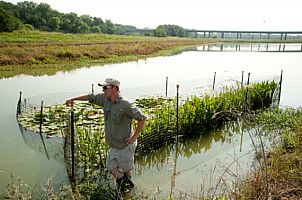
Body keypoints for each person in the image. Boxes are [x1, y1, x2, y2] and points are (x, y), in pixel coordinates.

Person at [65, 78, 147, 190]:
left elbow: (142, 118)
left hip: (125, 145)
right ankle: (126, 186)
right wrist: (72, 99)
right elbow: (90, 97)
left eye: (105, 88)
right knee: (111, 166)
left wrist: (134, 137)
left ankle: (126, 188)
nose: (103, 90)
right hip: (114, 145)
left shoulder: (125, 104)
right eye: (103, 88)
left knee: (127, 169)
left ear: (115, 88)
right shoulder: (105, 99)